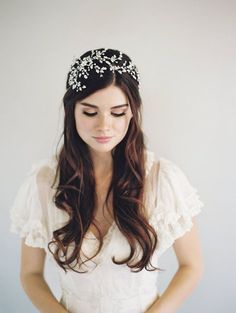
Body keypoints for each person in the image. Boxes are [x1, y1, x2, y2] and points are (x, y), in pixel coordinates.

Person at [10, 48, 204, 313]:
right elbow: (30, 274)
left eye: (117, 112)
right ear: (72, 112)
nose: (104, 126)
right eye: (90, 113)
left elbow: (191, 265)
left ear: (132, 112)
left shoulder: (162, 179)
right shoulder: (43, 184)